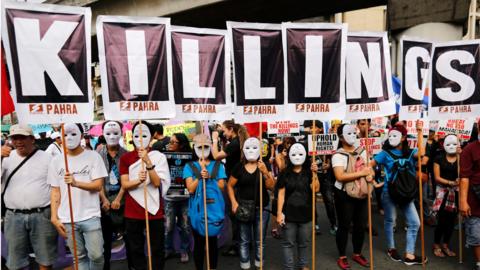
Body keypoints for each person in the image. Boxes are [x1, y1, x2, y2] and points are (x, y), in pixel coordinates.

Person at [49, 123, 108, 270]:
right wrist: (54, 217)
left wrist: (76, 183)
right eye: (65, 134)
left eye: (73, 134)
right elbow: (55, 191)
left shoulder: (93, 157)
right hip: (67, 218)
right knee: (79, 257)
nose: (69, 138)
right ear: (60, 138)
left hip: (91, 215)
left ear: (82, 136)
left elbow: (98, 185)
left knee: (97, 255)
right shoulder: (56, 161)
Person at [1, 124, 58, 270]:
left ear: (32, 139)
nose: (18, 141)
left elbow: (56, 187)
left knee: (45, 259)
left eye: (22, 137)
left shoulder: (47, 158)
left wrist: (56, 215)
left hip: (43, 214)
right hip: (13, 216)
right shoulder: (5, 158)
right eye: (15, 138)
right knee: (15, 261)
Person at [370, 122, 427, 265]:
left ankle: (409, 255)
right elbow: (370, 165)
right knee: (390, 220)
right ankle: (391, 248)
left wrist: (420, 132)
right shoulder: (384, 153)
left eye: (395, 135)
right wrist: (372, 179)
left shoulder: (410, 152)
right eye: (390, 135)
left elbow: (422, 154)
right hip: (389, 192)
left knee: (414, 223)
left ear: (403, 138)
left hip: (406, 193)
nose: (391, 137)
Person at [120, 121, 171, 270]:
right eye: (136, 135)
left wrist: (148, 163)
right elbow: (125, 184)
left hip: (154, 210)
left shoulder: (159, 157)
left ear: (151, 137)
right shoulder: (126, 158)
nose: (140, 139)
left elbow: (156, 183)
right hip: (132, 211)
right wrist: (138, 181)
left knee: (157, 248)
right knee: (135, 248)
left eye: (144, 135)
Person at [228, 137, 275, 269]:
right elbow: (230, 185)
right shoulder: (239, 167)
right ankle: (245, 265)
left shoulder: (265, 165)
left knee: (260, 240)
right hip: (243, 208)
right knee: (244, 240)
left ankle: (259, 264)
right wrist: (233, 203)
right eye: (248, 148)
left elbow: (272, 187)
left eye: (254, 147)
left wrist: (265, 171)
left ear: (260, 150)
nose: (251, 150)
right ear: (243, 150)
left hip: (262, 208)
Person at [332, 124, 373, 269]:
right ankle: (342, 256)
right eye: (348, 133)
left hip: (361, 193)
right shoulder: (338, 155)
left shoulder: (362, 151)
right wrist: (361, 173)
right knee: (344, 225)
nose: (353, 135)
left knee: (360, 225)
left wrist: (370, 175)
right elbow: (340, 176)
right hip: (344, 195)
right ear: (341, 137)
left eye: (354, 132)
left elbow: (370, 169)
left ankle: (357, 253)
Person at [184, 134, 227, 270]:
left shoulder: (218, 165)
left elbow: (222, 186)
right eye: (200, 147)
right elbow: (190, 189)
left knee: (213, 242)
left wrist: (209, 177)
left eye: (206, 146)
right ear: (194, 148)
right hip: (197, 211)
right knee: (199, 242)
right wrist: (199, 177)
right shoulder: (189, 166)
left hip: (214, 209)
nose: (203, 149)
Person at [276, 143, 320, 270]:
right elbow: (281, 194)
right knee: (288, 243)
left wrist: (315, 174)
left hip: (306, 214)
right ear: (289, 156)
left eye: (300, 154)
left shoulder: (310, 172)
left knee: (304, 243)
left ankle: (302, 265)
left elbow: (316, 189)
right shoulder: (284, 173)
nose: (297, 157)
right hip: (288, 214)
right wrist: (279, 213)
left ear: (306, 155)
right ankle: (289, 267)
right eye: (294, 154)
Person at [212, 120, 249, 256]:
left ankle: (237, 245)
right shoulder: (238, 141)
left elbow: (216, 156)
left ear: (231, 129)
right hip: (240, 182)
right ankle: (243, 242)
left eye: (224, 130)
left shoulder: (234, 144)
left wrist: (215, 140)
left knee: (234, 214)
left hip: (234, 183)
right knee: (239, 214)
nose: (223, 133)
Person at [97, 121, 130, 270]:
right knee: (104, 245)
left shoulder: (127, 155)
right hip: (102, 205)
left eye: (115, 133)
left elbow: (128, 180)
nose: (112, 136)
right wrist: (103, 199)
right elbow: (96, 179)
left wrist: (118, 198)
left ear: (121, 133)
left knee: (130, 241)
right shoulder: (97, 155)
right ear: (103, 134)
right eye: (108, 133)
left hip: (123, 204)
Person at [164, 133, 193, 263]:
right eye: (170, 141)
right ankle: (167, 249)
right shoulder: (163, 157)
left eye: (173, 142)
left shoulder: (190, 158)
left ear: (181, 144)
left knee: (185, 226)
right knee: (168, 226)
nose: (170, 144)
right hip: (169, 198)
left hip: (185, 197)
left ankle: (184, 250)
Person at [432, 134, 459, 258]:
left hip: (456, 193)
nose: (452, 146)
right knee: (442, 220)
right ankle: (436, 245)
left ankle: (446, 245)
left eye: (455, 143)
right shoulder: (439, 158)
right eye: (449, 144)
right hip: (442, 192)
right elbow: (437, 177)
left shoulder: (461, 158)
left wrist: (461, 155)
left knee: (452, 221)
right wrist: (450, 183)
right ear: (443, 145)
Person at [459, 119, 480, 270]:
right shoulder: (469, 149)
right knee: (476, 234)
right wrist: (462, 201)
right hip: (474, 199)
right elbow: (464, 177)